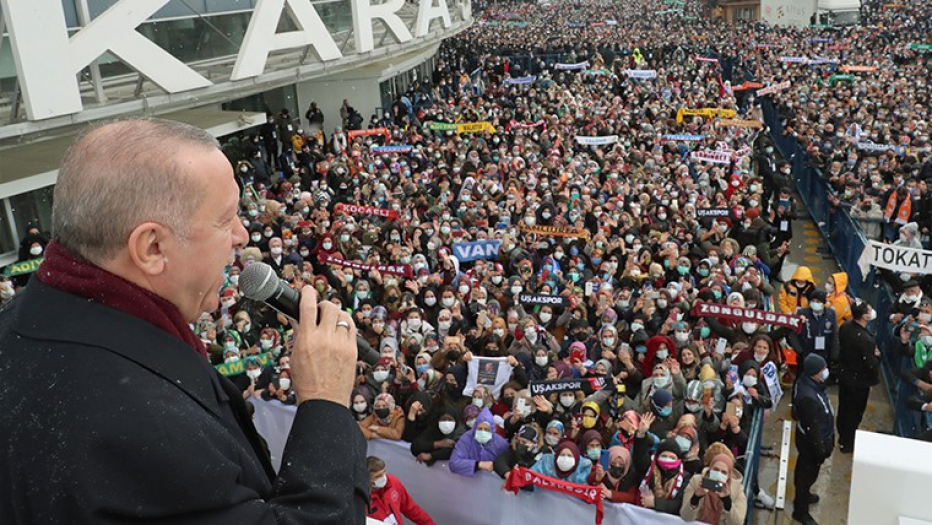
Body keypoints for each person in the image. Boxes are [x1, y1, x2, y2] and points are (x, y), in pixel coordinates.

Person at [0, 119, 368, 523]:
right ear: (152, 247)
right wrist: (325, 402)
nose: (243, 236)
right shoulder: (143, 431)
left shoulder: (22, 324)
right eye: (226, 219)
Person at [792, 354, 835, 525]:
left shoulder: (810, 384)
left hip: (815, 438)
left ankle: (805, 495)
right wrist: (821, 451)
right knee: (805, 475)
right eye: (822, 369)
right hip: (811, 444)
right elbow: (813, 428)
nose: (826, 371)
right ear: (814, 373)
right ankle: (800, 511)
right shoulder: (808, 397)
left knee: (807, 474)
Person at [836, 301, 881, 454]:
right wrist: (877, 357)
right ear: (864, 316)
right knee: (853, 413)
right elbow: (870, 363)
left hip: (845, 375)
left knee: (844, 409)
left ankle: (842, 437)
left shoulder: (846, 327)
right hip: (858, 381)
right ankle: (848, 443)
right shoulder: (865, 339)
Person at [680, 452, 747, 524]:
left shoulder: (737, 490)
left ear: (729, 475)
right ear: (710, 469)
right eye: (716, 469)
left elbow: (738, 523)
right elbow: (685, 517)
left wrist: (727, 501)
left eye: (723, 472)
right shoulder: (696, 482)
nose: (719, 474)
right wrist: (695, 498)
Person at [367, 456, 435, 525]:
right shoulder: (360, 500)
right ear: (366, 478)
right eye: (378, 476)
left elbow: (411, 509)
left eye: (384, 472)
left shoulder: (393, 482)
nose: (383, 477)